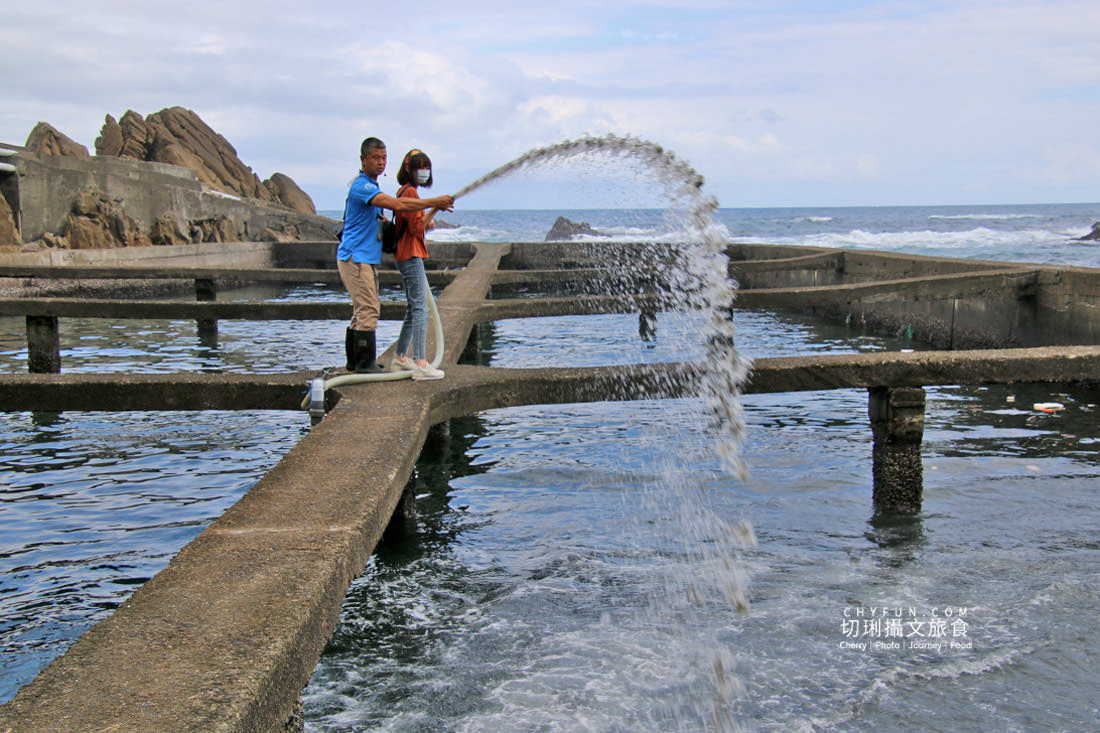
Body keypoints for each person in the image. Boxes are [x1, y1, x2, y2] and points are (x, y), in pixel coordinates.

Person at [337, 138, 453, 373]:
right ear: (363, 159)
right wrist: (435, 202)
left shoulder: (372, 187)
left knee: (362, 310)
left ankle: (356, 362)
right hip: (355, 257)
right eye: (375, 158)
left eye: (384, 158)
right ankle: (365, 364)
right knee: (369, 309)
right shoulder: (363, 187)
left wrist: (429, 209)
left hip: (363, 257)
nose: (381, 163)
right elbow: (398, 206)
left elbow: (394, 216)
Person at [389, 149, 446, 380]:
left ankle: (401, 357)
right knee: (420, 308)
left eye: (426, 167)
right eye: (420, 167)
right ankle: (421, 363)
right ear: (409, 169)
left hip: (406, 253)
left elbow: (416, 224)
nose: (424, 171)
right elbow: (415, 229)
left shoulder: (403, 190)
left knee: (414, 308)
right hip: (410, 254)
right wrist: (434, 209)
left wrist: (430, 215)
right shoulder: (410, 191)